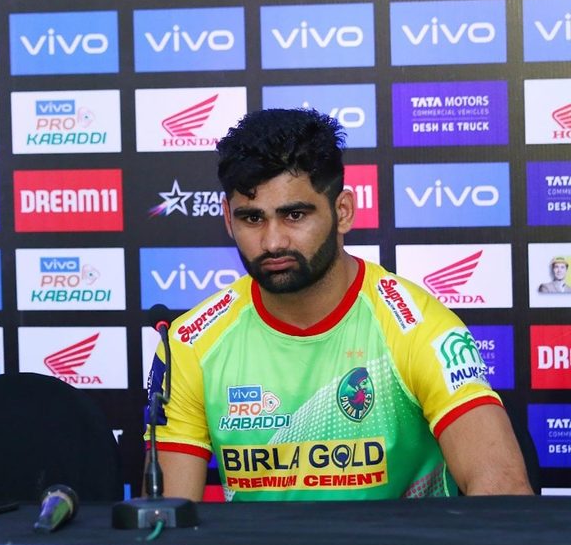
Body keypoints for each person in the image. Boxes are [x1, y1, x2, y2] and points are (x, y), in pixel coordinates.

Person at [147, 108, 533, 501]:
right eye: (252, 218)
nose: (273, 242)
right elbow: (164, 522)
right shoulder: (190, 344)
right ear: (228, 219)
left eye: (294, 214)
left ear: (343, 211)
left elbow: (503, 491)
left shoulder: (418, 327)